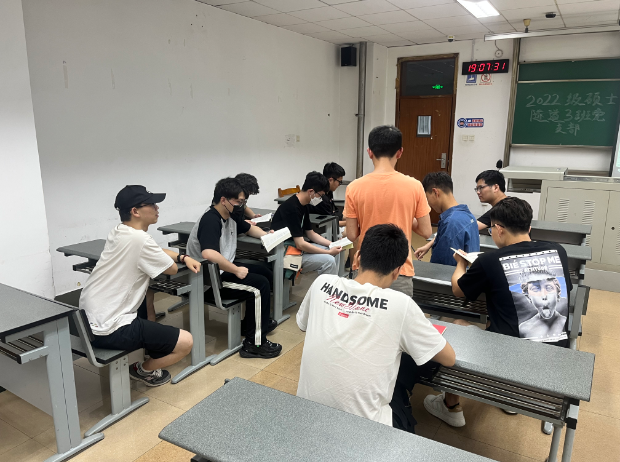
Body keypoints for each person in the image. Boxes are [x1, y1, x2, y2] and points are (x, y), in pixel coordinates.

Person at [423, 197, 572, 427]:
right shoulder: (558, 251)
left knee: (456, 325)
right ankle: (509, 402)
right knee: (495, 324)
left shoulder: (491, 260)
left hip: (510, 363)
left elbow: (458, 290)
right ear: (528, 227)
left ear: (499, 229)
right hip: (556, 359)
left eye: (492, 229)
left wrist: (461, 263)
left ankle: (450, 406)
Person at [296, 224, 455, 429]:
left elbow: (303, 326)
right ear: (397, 272)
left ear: (357, 258)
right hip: (368, 432)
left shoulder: (321, 283)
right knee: (408, 361)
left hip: (306, 414)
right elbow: (449, 358)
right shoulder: (401, 305)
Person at [80, 185, 199, 387]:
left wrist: (182, 256)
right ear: (135, 211)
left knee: (147, 297)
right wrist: (181, 259)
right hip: (111, 328)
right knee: (186, 342)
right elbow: (171, 269)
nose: (157, 208)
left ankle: (151, 347)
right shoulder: (140, 239)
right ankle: (142, 370)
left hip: (87, 322)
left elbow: (156, 250)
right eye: (151, 204)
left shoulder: (119, 231)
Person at [186, 177, 282, 359]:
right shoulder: (210, 219)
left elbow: (248, 228)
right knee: (259, 286)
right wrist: (236, 270)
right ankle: (254, 344)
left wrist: (267, 236)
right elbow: (209, 253)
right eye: (239, 201)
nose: (241, 206)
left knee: (264, 272)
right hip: (209, 281)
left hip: (222, 271)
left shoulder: (229, 215)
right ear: (224, 200)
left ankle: (251, 324)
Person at [345, 125, 432, 297]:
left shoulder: (354, 187)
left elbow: (351, 235)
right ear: (400, 152)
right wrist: (405, 217)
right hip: (399, 269)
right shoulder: (414, 186)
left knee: (364, 313)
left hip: (365, 268)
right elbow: (426, 231)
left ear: (369, 152)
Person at [271, 171, 343, 276]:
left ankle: (332, 283)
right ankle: (327, 286)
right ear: (311, 192)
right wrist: (328, 252)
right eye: (320, 195)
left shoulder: (303, 205)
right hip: (285, 252)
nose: (320, 199)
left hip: (295, 247)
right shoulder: (292, 208)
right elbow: (300, 244)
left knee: (335, 251)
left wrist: (333, 244)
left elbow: (311, 233)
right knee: (329, 260)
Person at [414, 172, 480, 266]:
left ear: (435, 192)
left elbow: (442, 267)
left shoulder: (451, 223)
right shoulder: (468, 215)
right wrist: (430, 244)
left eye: (427, 198)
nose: (428, 203)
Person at [308, 162, 346, 229]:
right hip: (320, 229)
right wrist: (351, 222)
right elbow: (331, 221)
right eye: (339, 182)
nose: (339, 185)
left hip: (329, 225)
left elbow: (335, 211)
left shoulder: (329, 191)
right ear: (330, 180)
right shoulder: (320, 196)